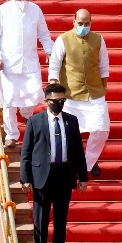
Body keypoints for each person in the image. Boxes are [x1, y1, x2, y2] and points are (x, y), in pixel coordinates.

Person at [20, 84, 88, 243]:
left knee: (61, 219)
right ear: (47, 101)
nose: (60, 103)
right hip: (42, 176)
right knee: (40, 219)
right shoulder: (35, 121)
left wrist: (82, 177)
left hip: (64, 175)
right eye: (56, 101)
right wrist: (25, 178)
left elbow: (77, 151)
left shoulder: (71, 121)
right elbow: (26, 152)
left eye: (62, 100)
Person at [0, 0, 54, 148]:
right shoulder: (3, 10)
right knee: (9, 101)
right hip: (8, 63)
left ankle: (26, 113)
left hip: (29, 62)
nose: (23, 3)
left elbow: (44, 34)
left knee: (33, 95)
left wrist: (49, 50)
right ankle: (11, 135)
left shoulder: (35, 10)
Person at [48, 9, 110, 177]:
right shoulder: (63, 39)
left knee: (102, 129)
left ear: (91, 23)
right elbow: (54, 63)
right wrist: (54, 82)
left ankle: (88, 162)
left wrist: (103, 86)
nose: (83, 26)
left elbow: (103, 65)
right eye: (80, 23)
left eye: (87, 24)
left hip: (94, 94)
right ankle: (74, 162)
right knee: (66, 133)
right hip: (70, 95)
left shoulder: (98, 40)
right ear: (73, 22)